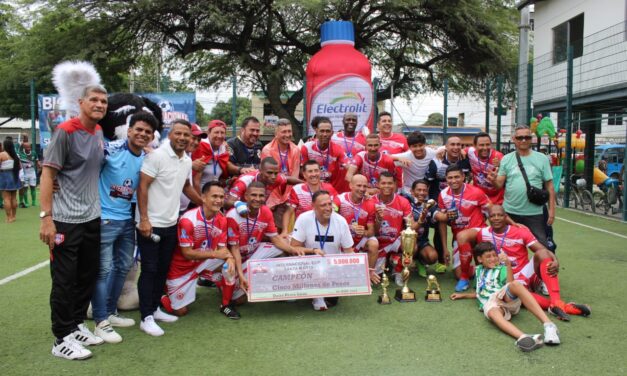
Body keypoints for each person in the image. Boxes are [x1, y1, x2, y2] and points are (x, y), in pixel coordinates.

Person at [39, 85, 109, 360]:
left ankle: (77, 324)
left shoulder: (99, 131)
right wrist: (46, 219)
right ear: (81, 102)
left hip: (92, 217)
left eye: (103, 101)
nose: (100, 104)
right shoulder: (65, 132)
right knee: (64, 281)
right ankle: (60, 338)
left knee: (86, 276)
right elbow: (47, 174)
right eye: (94, 100)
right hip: (65, 221)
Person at [455, 205, 591, 321]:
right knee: (519, 295)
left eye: (499, 215)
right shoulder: (483, 233)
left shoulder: (520, 232)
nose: (496, 218)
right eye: (492, 216)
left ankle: (556, 301)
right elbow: (463, 237)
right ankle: (563, 307)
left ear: (505, 217)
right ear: (488, 218)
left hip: (523, 272)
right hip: (503, 278)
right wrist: (467, 273)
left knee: (542, 253)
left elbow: (542, 250)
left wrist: (556, 260)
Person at [91, 111, 157, 343]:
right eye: (138, 129)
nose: (142, 134)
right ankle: (100, 320)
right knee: (103, 270)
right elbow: (85, 170)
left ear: (151, 137)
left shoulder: (148, 158)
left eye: (147, 132)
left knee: (122, 267)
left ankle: (109, 311)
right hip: (105, 219)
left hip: (127, 221)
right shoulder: (109, 150)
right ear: (129, 131)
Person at [136, 119, 203, 336]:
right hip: (151, 224)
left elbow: (185, 187)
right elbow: (143, 186)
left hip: (170, 224)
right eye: (179, 134)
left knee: (162, 269)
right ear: (169, 134)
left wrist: (205, 203)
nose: (183, 138)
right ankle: (145, 317)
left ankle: (154, 309)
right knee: (150, 270)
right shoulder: (156, 156)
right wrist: (144, 219)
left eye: (187, 135)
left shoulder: (186, 160)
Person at [450, 242, 561, 352]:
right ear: (480, 259)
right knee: (492, 313)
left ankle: (549, 325)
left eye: (494, 255)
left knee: (516, 284)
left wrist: (508, 265)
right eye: (488, 256)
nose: (493, 259)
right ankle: (524, 337)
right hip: (492, 304)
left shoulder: (501, 269)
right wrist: (463, 295)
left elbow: (509, 283)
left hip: (504, 297)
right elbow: (481, 293)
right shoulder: (478, 271)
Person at [159, 181, 239, 323]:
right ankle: (162, 293)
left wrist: (230, 257)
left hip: (203, 261)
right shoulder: (188, 220)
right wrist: (216, 254)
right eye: (214, 196)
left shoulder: (221, 219)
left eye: (221, 197)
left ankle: (226, 304)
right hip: (181, 268)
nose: (219, 200)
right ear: (203, 197)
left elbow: (222, 249)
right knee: (180, 311)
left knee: (229, 266)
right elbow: (187, 253)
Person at [225, 182, 298, 303]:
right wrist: (241, 275)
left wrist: (293, 250)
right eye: (254, 195)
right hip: (235, 257)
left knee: (284, 244)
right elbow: (235, 249)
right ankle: (226, 280)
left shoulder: (265, 212)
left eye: (261, 196)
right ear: (246, 196)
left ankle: (279, 286)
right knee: (237, 300)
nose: (258, 199)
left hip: (253, 253)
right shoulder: (233, 215)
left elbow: (275, 239)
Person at [488, 125, 556, 248]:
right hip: (510, 212)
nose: (523, 140)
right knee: (507, 246)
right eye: (520, 138)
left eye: (526, 137)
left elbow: (550, 186)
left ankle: (543, 267)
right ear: (514, 139)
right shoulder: (507, 159)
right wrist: (493, 180)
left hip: (535, 212)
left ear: (531, 139)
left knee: (543, 247)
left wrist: (551, 211)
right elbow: (499, 185)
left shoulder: (542, 159)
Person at [434, 164, 495, 293]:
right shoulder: (443, 195)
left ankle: (465, 278)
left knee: (462, 236)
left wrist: (500, 231)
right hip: (460, 237)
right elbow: (442, 222)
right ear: (446, 179)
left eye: (457, 177)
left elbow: (492, 210)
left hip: (478, 232)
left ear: (463, 177)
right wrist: (445, 248)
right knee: (457, 272)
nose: (453, 180)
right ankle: (475, 270)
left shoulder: (476, 192)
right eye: (450, 177)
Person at [290, 190, 354, 311]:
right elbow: (294, 247)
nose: (328, 208)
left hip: (333, 267)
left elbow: (349, 251)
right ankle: (310, 292)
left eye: (329, 204)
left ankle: (319, 292)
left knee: (332, 300)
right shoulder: (304, 218)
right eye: (323, 205)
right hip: (310, 265)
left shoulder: (340, 221)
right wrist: (313, 251)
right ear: (313, 206)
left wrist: (362, 269)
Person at [370, 172, 412, 286]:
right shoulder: (371, 201)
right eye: (383, 183)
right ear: (378, 184)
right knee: (376, 280)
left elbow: (410, 225)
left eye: (390, 183)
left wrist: (419, 220)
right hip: (377, 243)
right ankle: (387, 262)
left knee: (411, 244)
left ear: (395, 184)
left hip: (394, 241)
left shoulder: (403, 201)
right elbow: (370, 231)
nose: (387, 186)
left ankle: (397, 269)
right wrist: (378, 219)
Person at [337, 174, 380, 283]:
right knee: (343, 277)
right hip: (340, 241)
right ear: (350, 185)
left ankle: (369, 274)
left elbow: (371, 232)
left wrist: (364, 232)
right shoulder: (340, 199)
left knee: (373, 244)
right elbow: (328, 220)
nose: (362, 189)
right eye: (359, 185)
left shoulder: (370, 203)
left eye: (364, 186)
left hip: (358, 240)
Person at [192, 120, 253, 192]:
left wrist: (228, 181)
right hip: (199, 195)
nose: (220, 136)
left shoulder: (223, 149)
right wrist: (200, 201)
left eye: (222, 133)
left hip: (214, 194)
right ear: (208, 132)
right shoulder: (200, 147)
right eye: (216, 132)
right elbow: (195, 181)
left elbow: (219, 177)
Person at [282, 160, 340, 235]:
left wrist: (333, 207)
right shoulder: (297, 189)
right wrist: (284, 231)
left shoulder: (329, 188)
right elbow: (288, 212)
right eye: (310, 171)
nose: (314, 174)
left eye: (316, 171)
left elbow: (337, 204)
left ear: (320, 173)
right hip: (303, 230)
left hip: (325, 230)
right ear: (304, 175)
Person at [401, 179, 440, 278]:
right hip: (405, 240)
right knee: (412, 248)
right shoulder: (405, 202)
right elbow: (413, 227)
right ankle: (397, 267)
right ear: (412, 191)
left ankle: (419, 261)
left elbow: (440, 217)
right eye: (419, 190)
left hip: (422, 241)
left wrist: (448, 214)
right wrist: (422, 218)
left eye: (424, 190)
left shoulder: (429, 204)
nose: (422, 193)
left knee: (432, 257)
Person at [301, 117, 347, 189]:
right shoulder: (306, 148)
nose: (325, 134)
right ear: (316, 131)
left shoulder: (338, 149)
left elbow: (348, 165)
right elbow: (302, 171)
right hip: (311, 187)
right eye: (322, 131)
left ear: (332, 133)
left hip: (330, 188)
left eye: (327, 131)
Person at [331, 113, 366, 192]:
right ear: (343, 121)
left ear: (357, 122)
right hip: (336, 181)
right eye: (348, 120)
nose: (351, 122)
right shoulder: (334, 138)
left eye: (354, 120)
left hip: (355, 183)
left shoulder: (363, 139)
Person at [465, 132, 504, 205]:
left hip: (497, 199)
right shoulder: (470, 152)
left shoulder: (498, 157)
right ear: (474, 146)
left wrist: (500, 165)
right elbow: (456, 149)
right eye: (481, 145)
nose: (485, 148)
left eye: (488, 144)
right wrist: (442, 149)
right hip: (479, 197)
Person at [180, 123, 207, 214]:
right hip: (168, 211)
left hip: (184, 208)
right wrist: (190, 164)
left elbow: (190, 184)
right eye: (193, 138)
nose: (196, 142)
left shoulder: (189, 154)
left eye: (198, 140)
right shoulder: (174, 152)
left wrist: (201, 206)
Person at [0, 138, 21, 223]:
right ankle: (13, 216)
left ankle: (9, 218)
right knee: (14, 198)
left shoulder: (1, 154)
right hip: (14, 176)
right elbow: (19, 167)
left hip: (5, 176)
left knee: (6, 198)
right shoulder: (15, 155)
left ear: (4, 146)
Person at [17, 141, 39, 208]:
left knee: (33, 187)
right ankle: (26, 202)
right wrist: (23, 141)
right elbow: (20, 148)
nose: (28, 148)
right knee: (25, 188)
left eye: (29, 147)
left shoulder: (33, 153)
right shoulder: (21, 153)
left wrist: (39, 167)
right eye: (26, 147)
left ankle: (34, 202)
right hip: (24, 174)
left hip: (32, 173)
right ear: (24, 147)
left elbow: (37, 161)